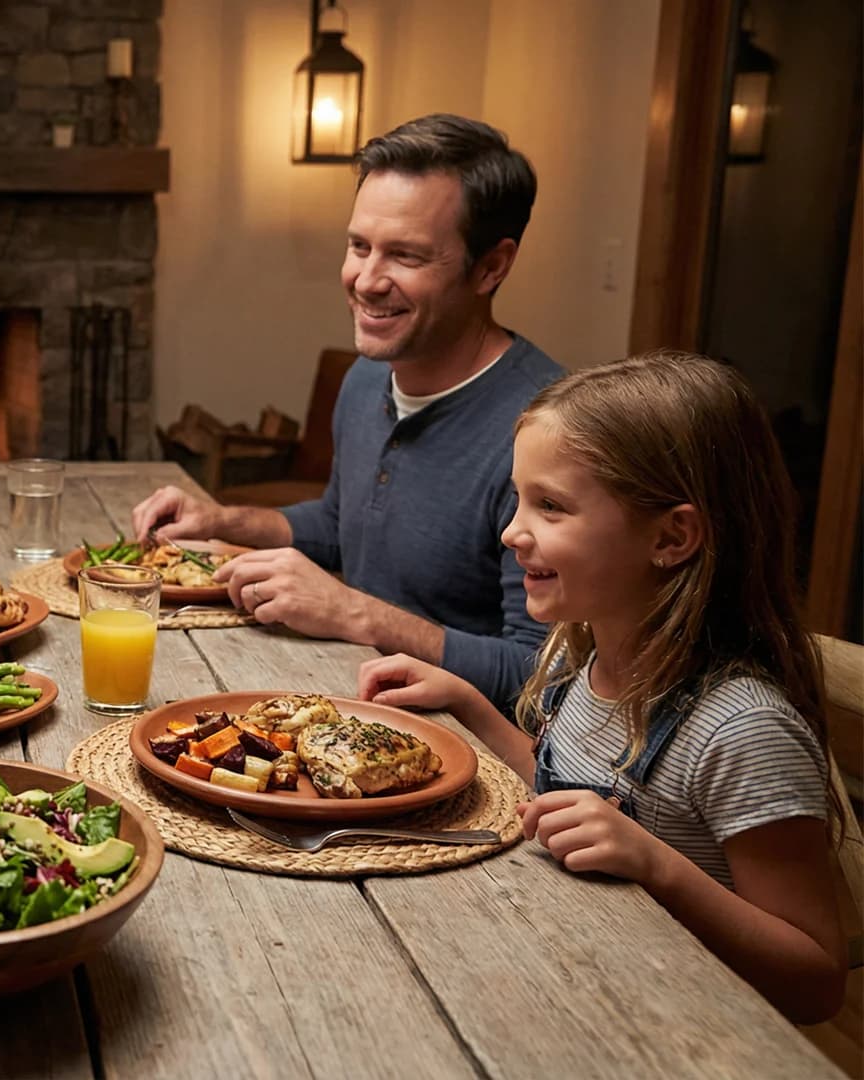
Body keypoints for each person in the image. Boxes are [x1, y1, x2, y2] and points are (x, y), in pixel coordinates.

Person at [357, 352, 846, 1024]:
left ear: (672, 536)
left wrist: (658, 866)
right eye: (519, 498)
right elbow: (560, 796)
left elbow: (816, 981)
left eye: (550, 506)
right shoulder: (581, 652)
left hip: (676, 1028)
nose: (511, 531)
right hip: (575, 978)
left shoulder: (742, 731)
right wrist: (466, 703)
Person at [133, 114, 563, 709]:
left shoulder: (550, 434)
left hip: (464, 743)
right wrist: (222, 521)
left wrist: (355, 613)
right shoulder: (366, 379)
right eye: (359, 246)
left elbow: (546, 676)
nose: (365, 280)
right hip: (346, 702)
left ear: (491, 266)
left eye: (406, 256)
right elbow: (343, 525)